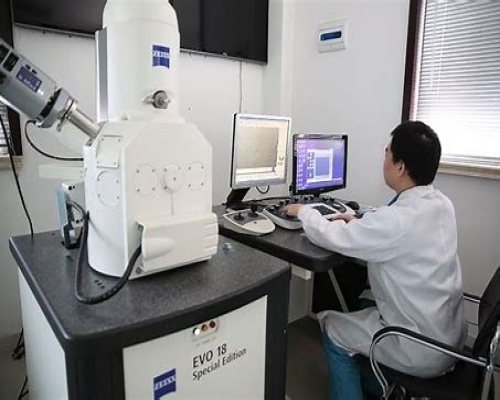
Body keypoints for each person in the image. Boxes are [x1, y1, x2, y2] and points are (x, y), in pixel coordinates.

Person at [283, 121, 466, 400]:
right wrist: (360, 221)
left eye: (387, 152)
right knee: (365, 301)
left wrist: (303, 211)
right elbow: (393, 232)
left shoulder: (398, 221)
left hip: (419, 347)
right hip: (448, 336)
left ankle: (380, 385)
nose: (384, 157)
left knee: (332, 329)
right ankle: (383, 387)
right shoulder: (441, 204)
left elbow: (335, 237)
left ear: (400, 167)